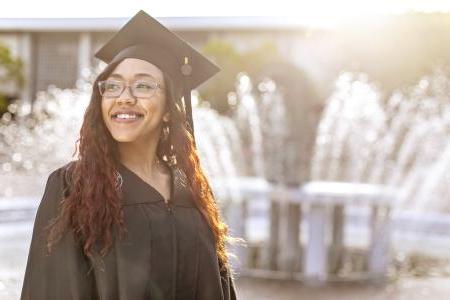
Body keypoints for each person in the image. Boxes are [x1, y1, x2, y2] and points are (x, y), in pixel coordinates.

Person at [20, 10, 237, 300]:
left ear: (169, 109)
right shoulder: (73, 186)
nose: (124, 96)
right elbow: (53, 290)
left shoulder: (192, 190)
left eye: (143, 85)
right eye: (113, 85)